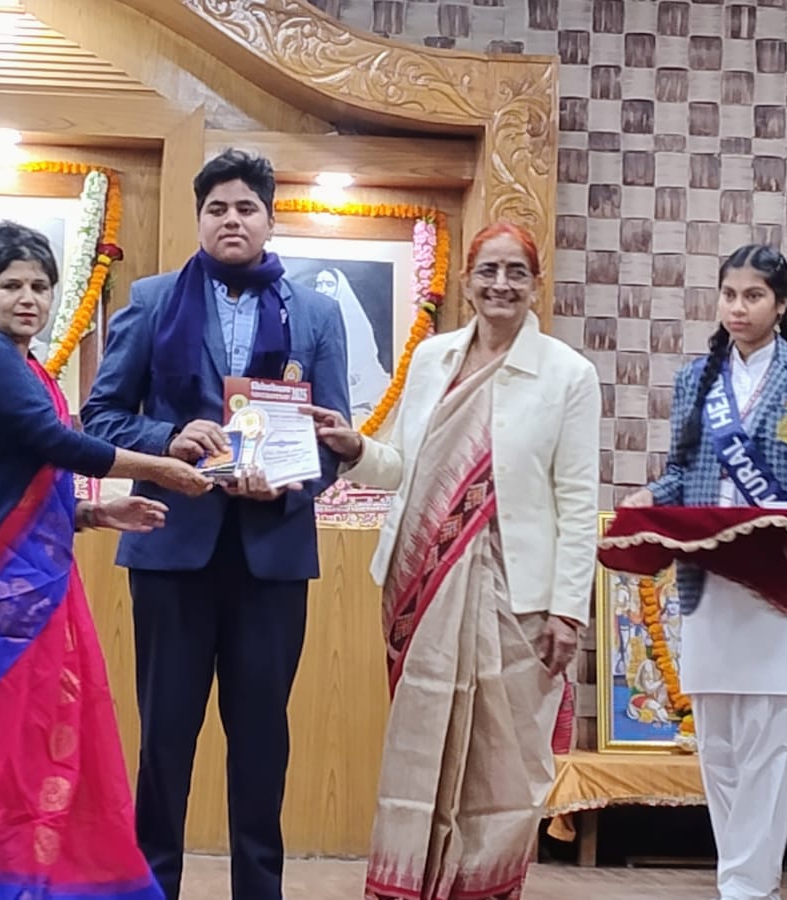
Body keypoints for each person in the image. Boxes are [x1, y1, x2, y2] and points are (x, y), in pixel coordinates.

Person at [0, 222, 209, 896]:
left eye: (40, 286)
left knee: (18, 751)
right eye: (11, 286)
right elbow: (53, 442)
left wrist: (94, 513)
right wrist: (160, 465)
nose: (27, 298)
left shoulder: (24, 366)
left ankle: (20, 883)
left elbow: (13, 478)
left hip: (13, 590)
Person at [79, 149, 350, 900]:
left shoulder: (315, 313)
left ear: (270, 219)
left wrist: (290, 481)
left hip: (273, 556)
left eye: (246, 208)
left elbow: (334, 439)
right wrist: (168, 439)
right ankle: (149, 888)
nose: (232, 220)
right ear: (199, 219)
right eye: (217, 209)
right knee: (165, 741)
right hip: (173, 549)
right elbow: (100, 416)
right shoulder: (153, 300)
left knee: (262, 743)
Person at [300, 223, 600, 900]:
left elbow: (579, 502)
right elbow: (406, 468)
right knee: (419, 749)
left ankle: (483, 887)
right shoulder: (432, 360)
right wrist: (355, 449)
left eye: (516, 272)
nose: (501, 285)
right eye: (488, 271)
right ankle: (409, 884)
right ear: (466, 281)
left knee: (504, 766)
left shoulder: (568, 375)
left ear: (536, 285)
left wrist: (567, 611)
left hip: (519, 601)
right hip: (424, 588)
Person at [619, 245, 787, 900]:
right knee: (719, 747)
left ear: (781, 304)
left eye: (754, 296)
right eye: (729, 294)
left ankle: (750, 888)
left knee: (771, 747)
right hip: (709, 582)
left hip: (783, 582)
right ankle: (743, 883)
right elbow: (680, 473)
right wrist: (650, 496)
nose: (738, 308)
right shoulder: (696, 378)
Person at [314, 266, 391, 416]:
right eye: (319, 284)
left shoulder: (355, 318)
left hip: (355, 379)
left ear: (340, 288)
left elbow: (365, 355)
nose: (323, 290)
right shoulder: (312, 316)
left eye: (329, 284)